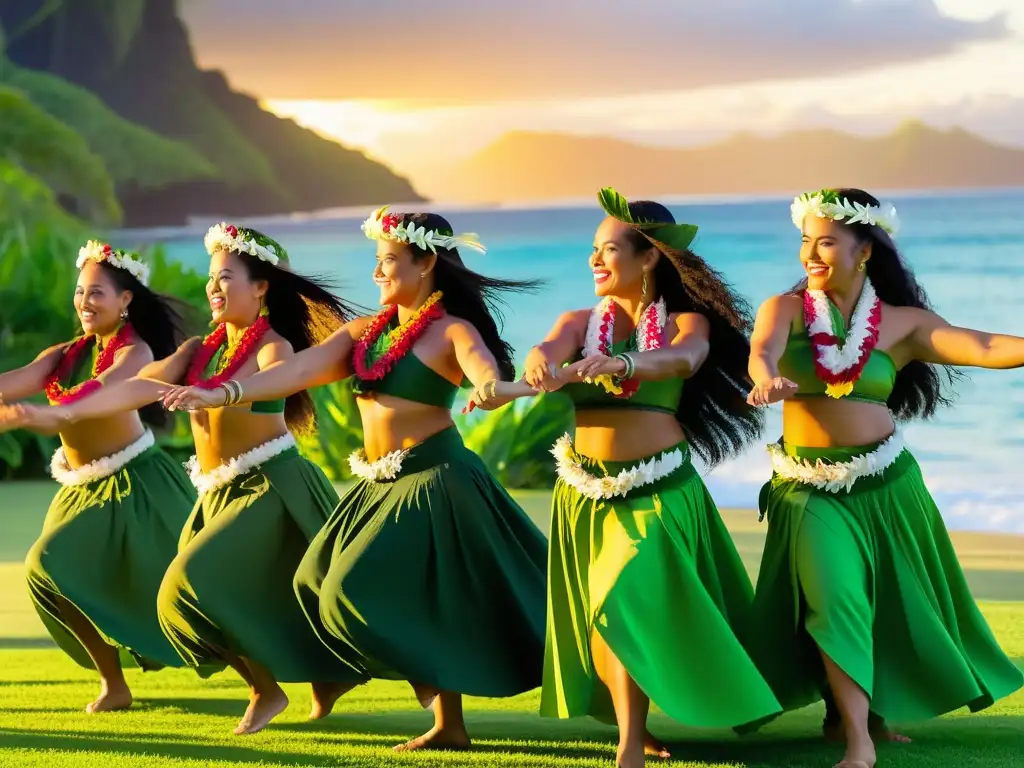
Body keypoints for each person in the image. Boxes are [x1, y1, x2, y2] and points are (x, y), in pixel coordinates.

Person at [162, 208, 549, 752]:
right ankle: (444, 719)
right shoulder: (365, 335)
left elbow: (483, 369)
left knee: (368, 591)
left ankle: (438, 704)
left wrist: (492, 388)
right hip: (379, 484)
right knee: (314, 580)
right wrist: (221, 392)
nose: (377, 273)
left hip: (434, 478)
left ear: (426, 264)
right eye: (376, 262)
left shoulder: (451, 331)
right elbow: (296, 371)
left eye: (388, 262)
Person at [469, 188, 782, 768]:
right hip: (585, 493)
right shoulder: (578, 322)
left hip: (660, 489)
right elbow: (547, 353)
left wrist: (625, 362)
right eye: (592, 249)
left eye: (607, 249)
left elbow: (683, 360)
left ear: (649, 258)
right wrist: (535, 364)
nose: (593, 260)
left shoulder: (686, 323)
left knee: (622, 595)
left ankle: (631, 745)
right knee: (603, 613)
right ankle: (632, 728)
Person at [9, 225, 363, 735]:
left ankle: (269, 689)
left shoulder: (274, 348)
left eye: (225, 278)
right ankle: (318, 680)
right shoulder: (199, 349)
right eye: (210, 279)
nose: (213, 288)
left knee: (193, 583)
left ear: (260, 286)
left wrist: (225, 393)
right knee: (243, 593)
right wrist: (63, 413)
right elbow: (137, 386)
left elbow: (270, 381)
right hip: (219, 489)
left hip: (271, 484)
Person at [745, 188, 1024, 768]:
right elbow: (761, 351)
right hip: (807, 488)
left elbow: (984, 345)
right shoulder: (787, 309)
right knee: (832, 596)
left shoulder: (902, 325)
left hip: (887, 485)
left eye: (826, 241)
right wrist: (766, 376)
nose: (811, 253)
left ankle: (855, 715)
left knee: (879, 604)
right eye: (805, 240)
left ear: (864, 250)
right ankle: (859, 741)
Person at [0, 241, 194, 713]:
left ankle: (267, 679)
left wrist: (36, 416)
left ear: (126, 299)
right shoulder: (67, 354)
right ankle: (114, 683)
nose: (84, 301)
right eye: (80, 291)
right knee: (52, 577)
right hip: (82, 488)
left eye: (97, 292)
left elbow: (92, 400)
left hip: (135, 484)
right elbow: (14, 380)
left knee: (190, 591)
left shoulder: (136, 353)